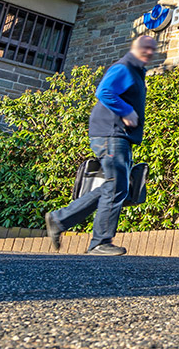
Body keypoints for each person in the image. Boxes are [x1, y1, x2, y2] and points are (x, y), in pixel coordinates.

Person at [45, 35, 157, 255]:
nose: (149, 52)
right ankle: (99, 243)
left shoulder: (136, 72)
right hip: (110, 134)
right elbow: (104, 91)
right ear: (134, 47)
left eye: (153, 49)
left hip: (117, 135)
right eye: (145, 47)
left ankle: (59, 219)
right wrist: (126, 111)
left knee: (115, 187)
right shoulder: (124, 67)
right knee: (116, 187)